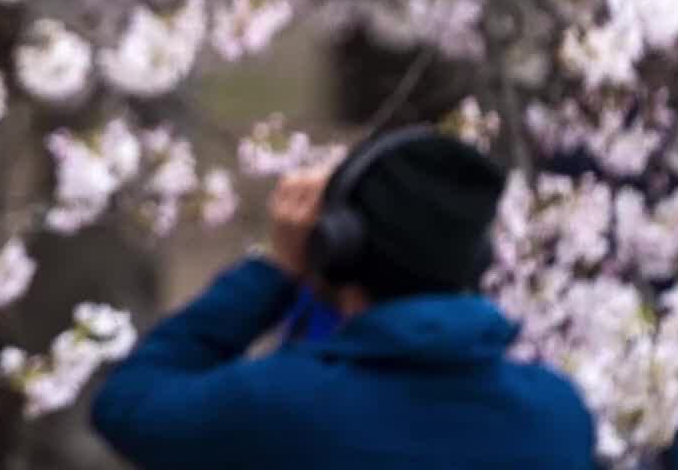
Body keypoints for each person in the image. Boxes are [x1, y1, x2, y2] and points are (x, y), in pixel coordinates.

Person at [91, 124, 597, 468]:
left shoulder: (279, 405)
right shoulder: (557, 417)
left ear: (337, 249)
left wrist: (276, 268)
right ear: (477, 260)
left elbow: (128, 402)